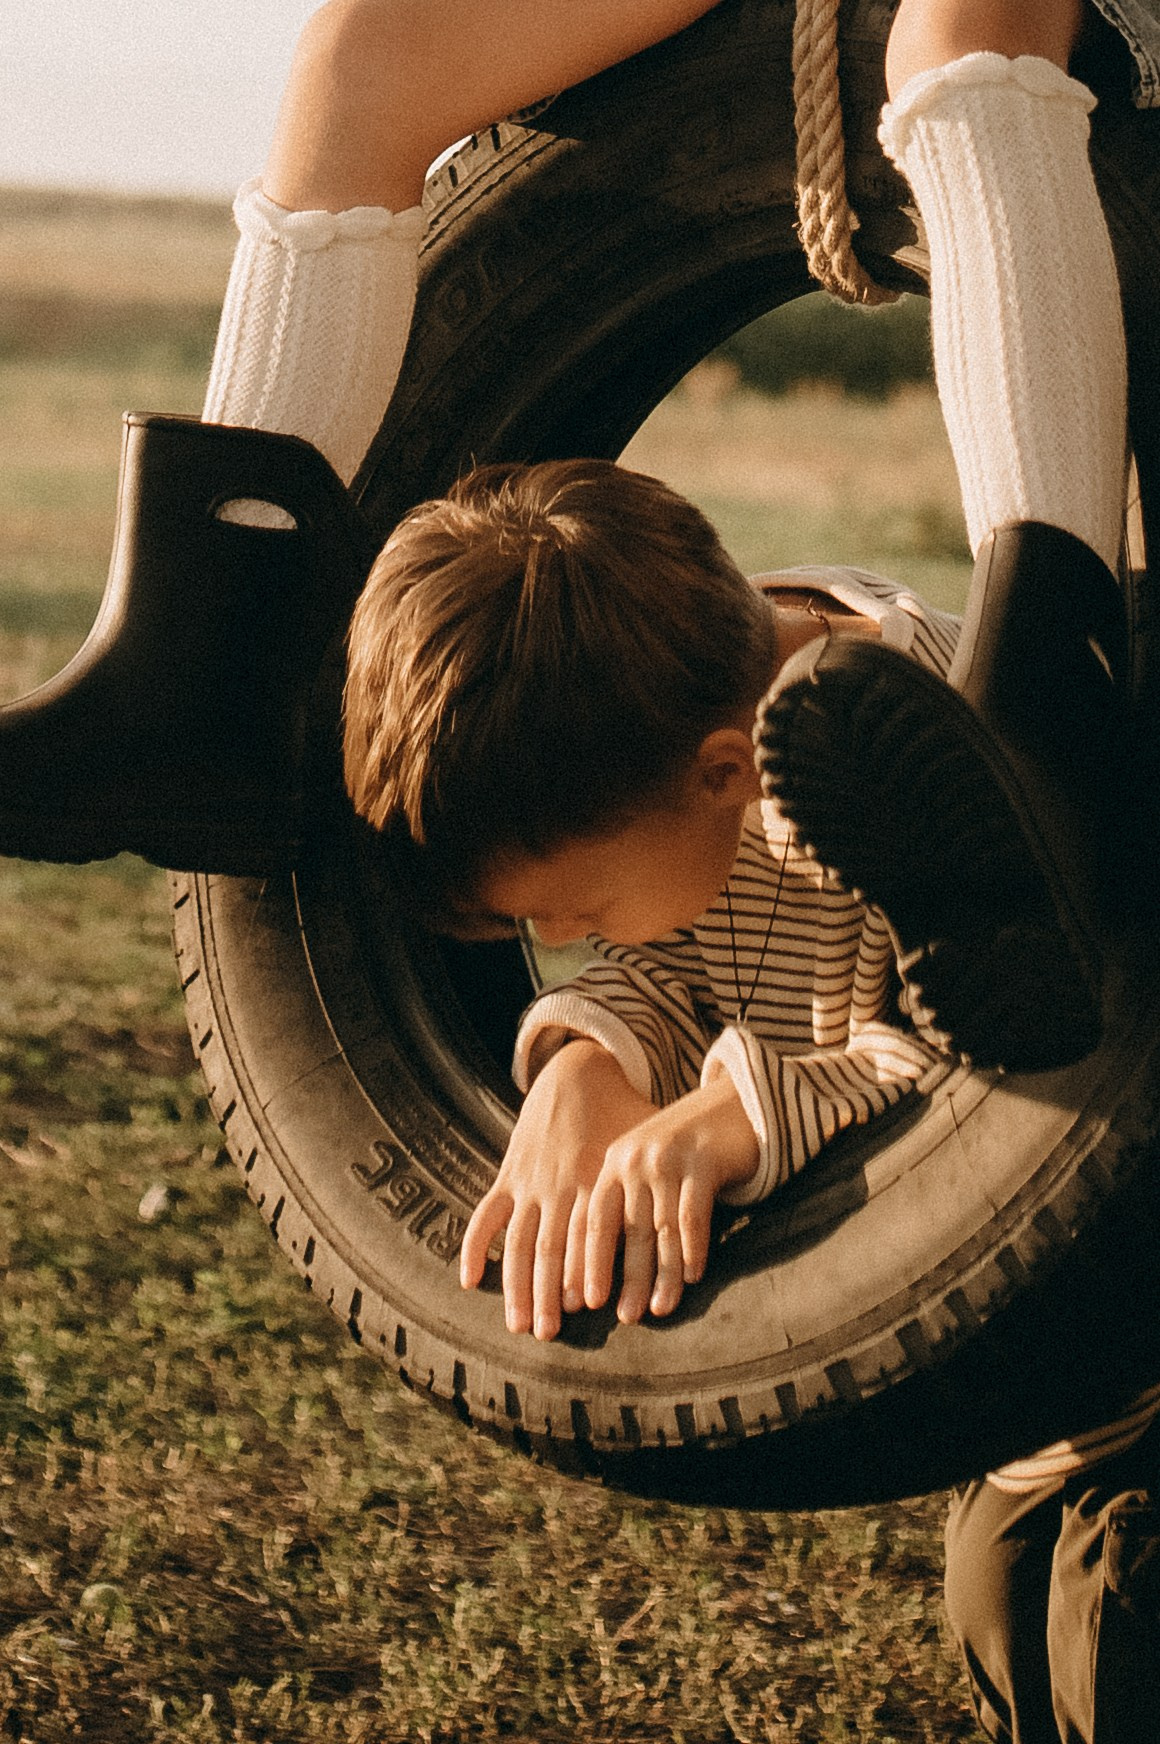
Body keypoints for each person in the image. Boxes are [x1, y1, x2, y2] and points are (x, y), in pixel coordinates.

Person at [341, 455, 961, 1342]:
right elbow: (674, 963)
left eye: (581, 910)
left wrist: (743, 1113)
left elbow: (994, 1072)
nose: (558, 940)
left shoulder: (915, 772)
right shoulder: (670, 711)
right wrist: (583, 1065)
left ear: (725, 774)